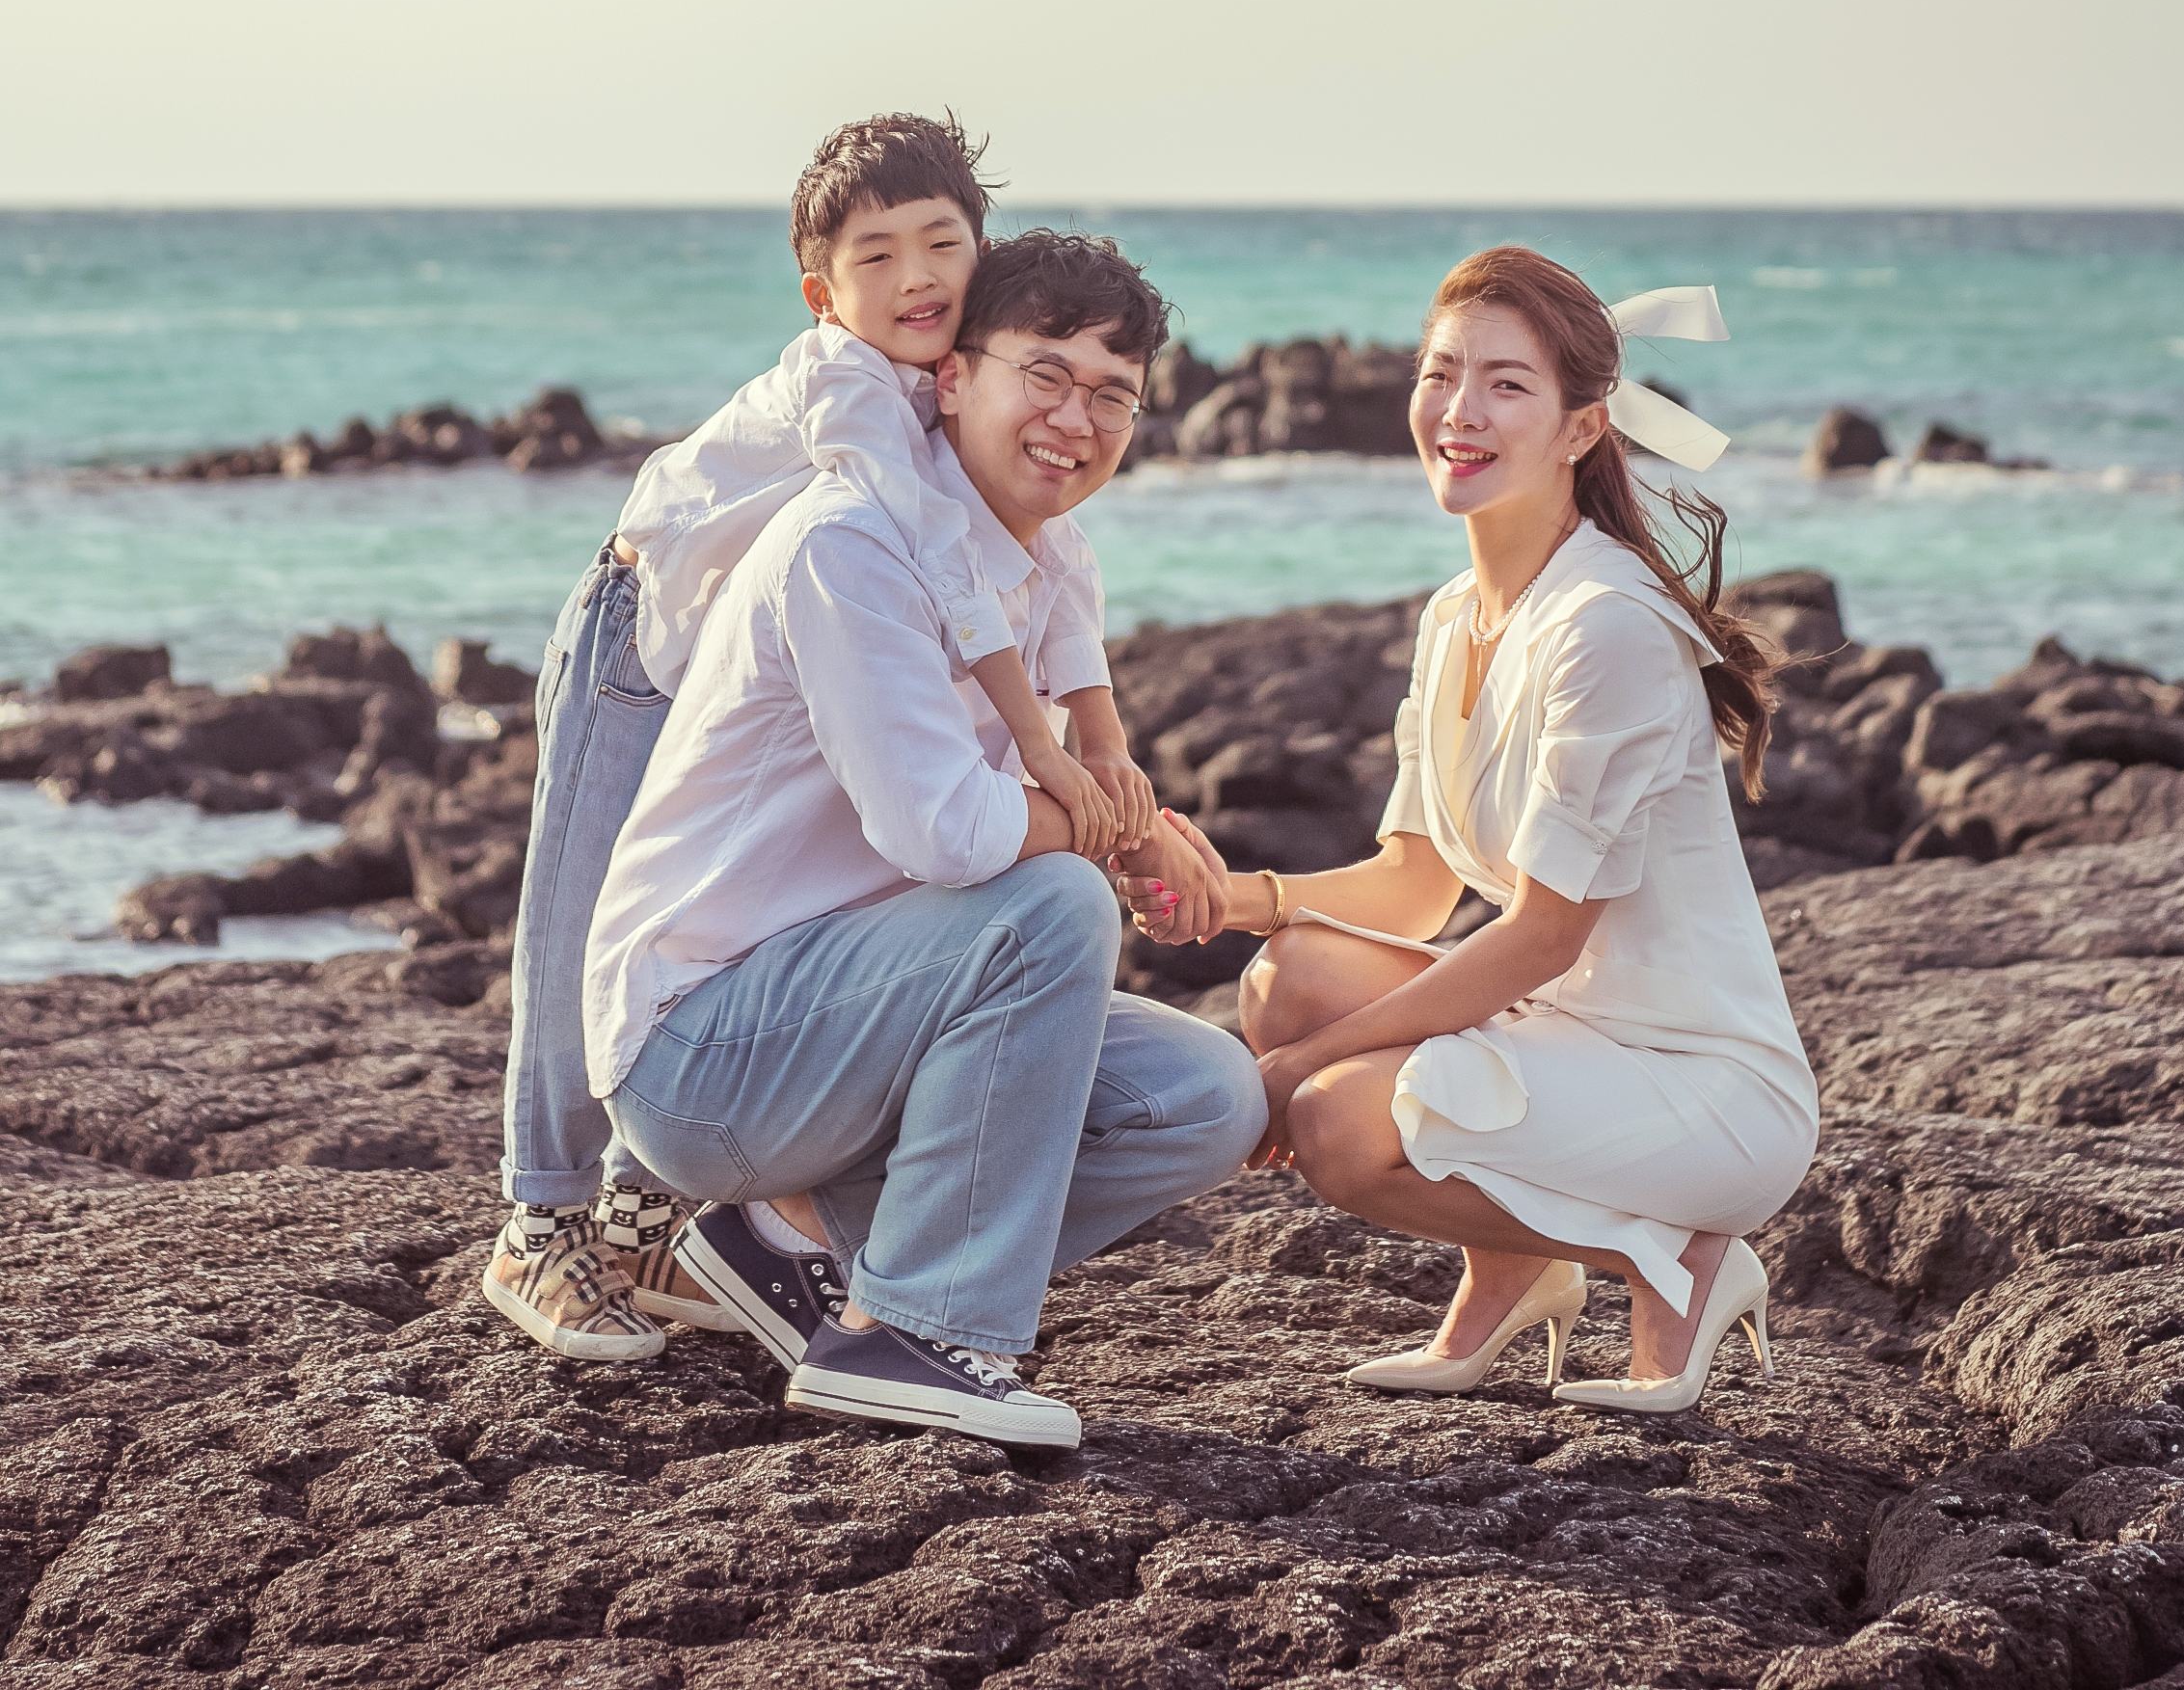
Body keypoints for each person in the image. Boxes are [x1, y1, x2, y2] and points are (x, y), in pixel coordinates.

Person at [480, 114, 1157, 1364]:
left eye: (941, 244)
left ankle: (660, 1215)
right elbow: (935, 554)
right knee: (579, 924)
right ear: (823, 290)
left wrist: (1103, 749)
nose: (915, 278)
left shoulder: (976, 374)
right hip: (642, 636)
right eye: (877, 254)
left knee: (761, 896)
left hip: (755, 649)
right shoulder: (850, 383)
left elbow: (1048, 561)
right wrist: (1045, 749)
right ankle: (541, 1218)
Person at [581, 228, 1264, 1448]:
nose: (1076, 415)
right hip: (704, 1047)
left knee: (1207, 1094)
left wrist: (1127, 817)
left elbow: (1042, 789)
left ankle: (781, 1239)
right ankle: (914, 1328)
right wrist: (1119, 832)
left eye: (1113, 393)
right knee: (1053, 903)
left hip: (848, 1019)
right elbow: (949, 834)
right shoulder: (850, 545)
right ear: (954, 377)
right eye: (1042, 373)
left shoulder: (1040, 559)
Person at [1119, 245, 1818, 1412]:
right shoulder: (1455, 614)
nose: (1457, 410)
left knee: (1337, 1119)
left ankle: (1680, 1256)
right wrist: (1224, 897)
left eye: (1505, 383)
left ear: (1581, 427)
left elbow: (1540, 936)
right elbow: (1414, 885)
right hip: (1562, 1038)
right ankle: (1516, 1264)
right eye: (1441, 372)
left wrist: (1304, 1067)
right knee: (1287, 975)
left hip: (1698, 1083)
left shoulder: (1606, 625)